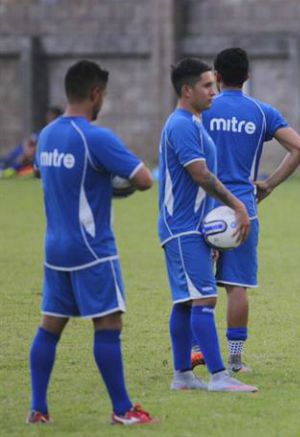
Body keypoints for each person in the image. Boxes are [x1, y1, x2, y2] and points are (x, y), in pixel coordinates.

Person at [27, 60, 154, 425]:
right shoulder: (96, 136)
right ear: (96, 94)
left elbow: (45, 174)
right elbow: (144, 179)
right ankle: (123, 410)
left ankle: (38, 409)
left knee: (50, 326)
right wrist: (114, 182)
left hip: (55, 248)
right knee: (109, 325)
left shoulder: (48, 134)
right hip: (92, 248)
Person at [198, 47, 300, 373]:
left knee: (199, 285)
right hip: (243, 210)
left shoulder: (202, 110)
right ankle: (234, 359)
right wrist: (269, 183)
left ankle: (194, 352)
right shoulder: (261, 112)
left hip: (204, 207)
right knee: (237, 286)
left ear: (215, 77)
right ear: (248, 77)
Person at [158, 58, 256, 392]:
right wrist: (237, 205)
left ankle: (182, 376)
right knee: (204, 299)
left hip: (192, 227)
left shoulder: (195, 122)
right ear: (187, 90)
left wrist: (209, 235)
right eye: (206, 86)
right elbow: (200, 174)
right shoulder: (182, 125)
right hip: (181, 226)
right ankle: (218, 376)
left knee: (186, 300)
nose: (212, 91)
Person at [2, 107, 63, 178]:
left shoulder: (58, 133)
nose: (49, 119)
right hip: (25, 152)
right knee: (9, 157)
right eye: (49, 117)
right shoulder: (44, 130)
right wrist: (27, 150)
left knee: (20, 160)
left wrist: (31, 152)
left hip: (33, 157)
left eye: (52, 117)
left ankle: (9, 171)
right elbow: (28, 140)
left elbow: (46, 147)